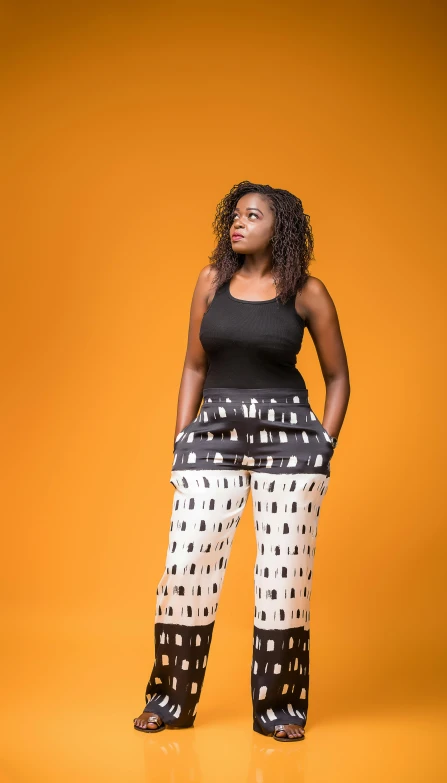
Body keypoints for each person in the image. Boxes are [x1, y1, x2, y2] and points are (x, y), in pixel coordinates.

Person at [133, 180, 350, 742]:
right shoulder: (211, 282)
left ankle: (278, 711)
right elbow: (194, 366)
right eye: (235, 214)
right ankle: (170, 699)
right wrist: (182, 439)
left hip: (290, 444)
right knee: (186, 566)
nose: (239, 222)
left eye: (253, 215)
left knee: (284, 578)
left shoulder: (306, 292)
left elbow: (337, 376)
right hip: (214, 437)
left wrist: (321, 447)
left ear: (281, 228)